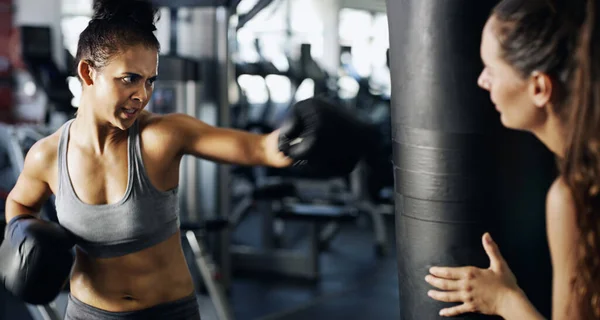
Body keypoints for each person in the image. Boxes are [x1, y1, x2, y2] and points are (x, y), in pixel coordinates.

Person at [0, 0, 374, 319]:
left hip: (168, 312)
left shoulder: (161, 137)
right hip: (88, 314)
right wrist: (22, 231)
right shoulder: (47, 155)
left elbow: (256, 149)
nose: (141, 95)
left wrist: (295, 136)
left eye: (150, 81)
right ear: (87, 72)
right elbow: (19, 201)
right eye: (130, 79)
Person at [424, 0, 600, 319]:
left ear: (539, 87)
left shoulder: (574, 196)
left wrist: (503, 299)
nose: (482, 81)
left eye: (491, 70)